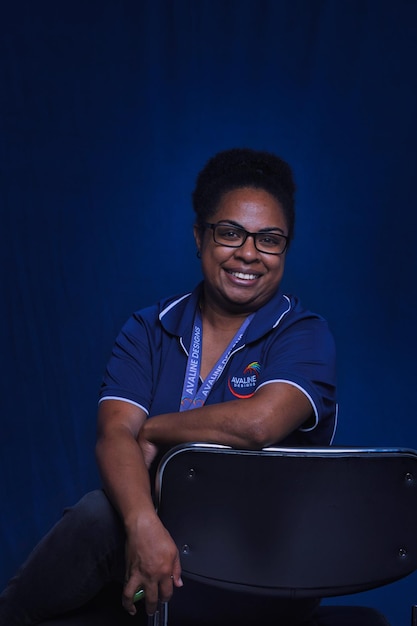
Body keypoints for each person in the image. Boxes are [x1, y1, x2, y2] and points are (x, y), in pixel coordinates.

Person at [0, 148, 337, 625]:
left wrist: (157, 429)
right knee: (99, 519)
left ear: (286, 249)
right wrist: (142, 525)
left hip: (264, 563)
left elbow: (259, 423)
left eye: (270, 239)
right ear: (199, 237)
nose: (248, 253)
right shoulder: (148, 328)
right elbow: (115, 433)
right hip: (158, 549)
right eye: (229, 232)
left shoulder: (303, 332)